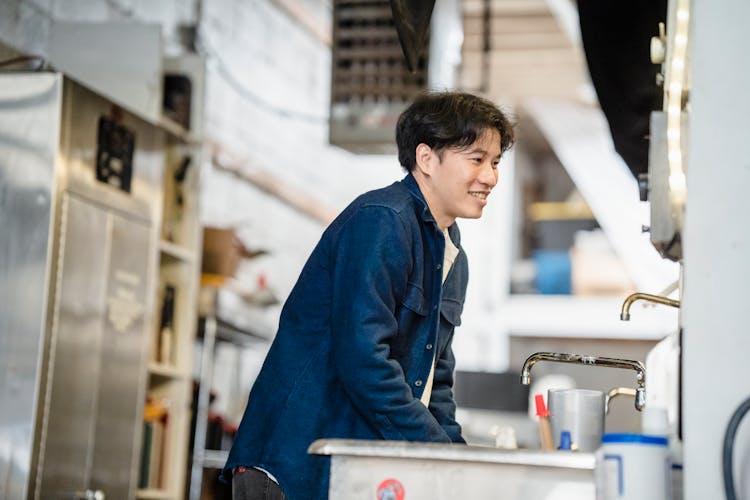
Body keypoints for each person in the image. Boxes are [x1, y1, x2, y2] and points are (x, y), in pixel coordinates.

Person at [223, 91, 515, 500]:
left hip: (350, 469)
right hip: (295, 463)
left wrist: (458, 463)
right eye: (477, 159)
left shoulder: (452, 252)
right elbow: (363, 360)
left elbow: (437, 377)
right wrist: (438, 454)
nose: (491, 176)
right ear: (427, 159)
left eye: (496, 162)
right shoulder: (382, 221)